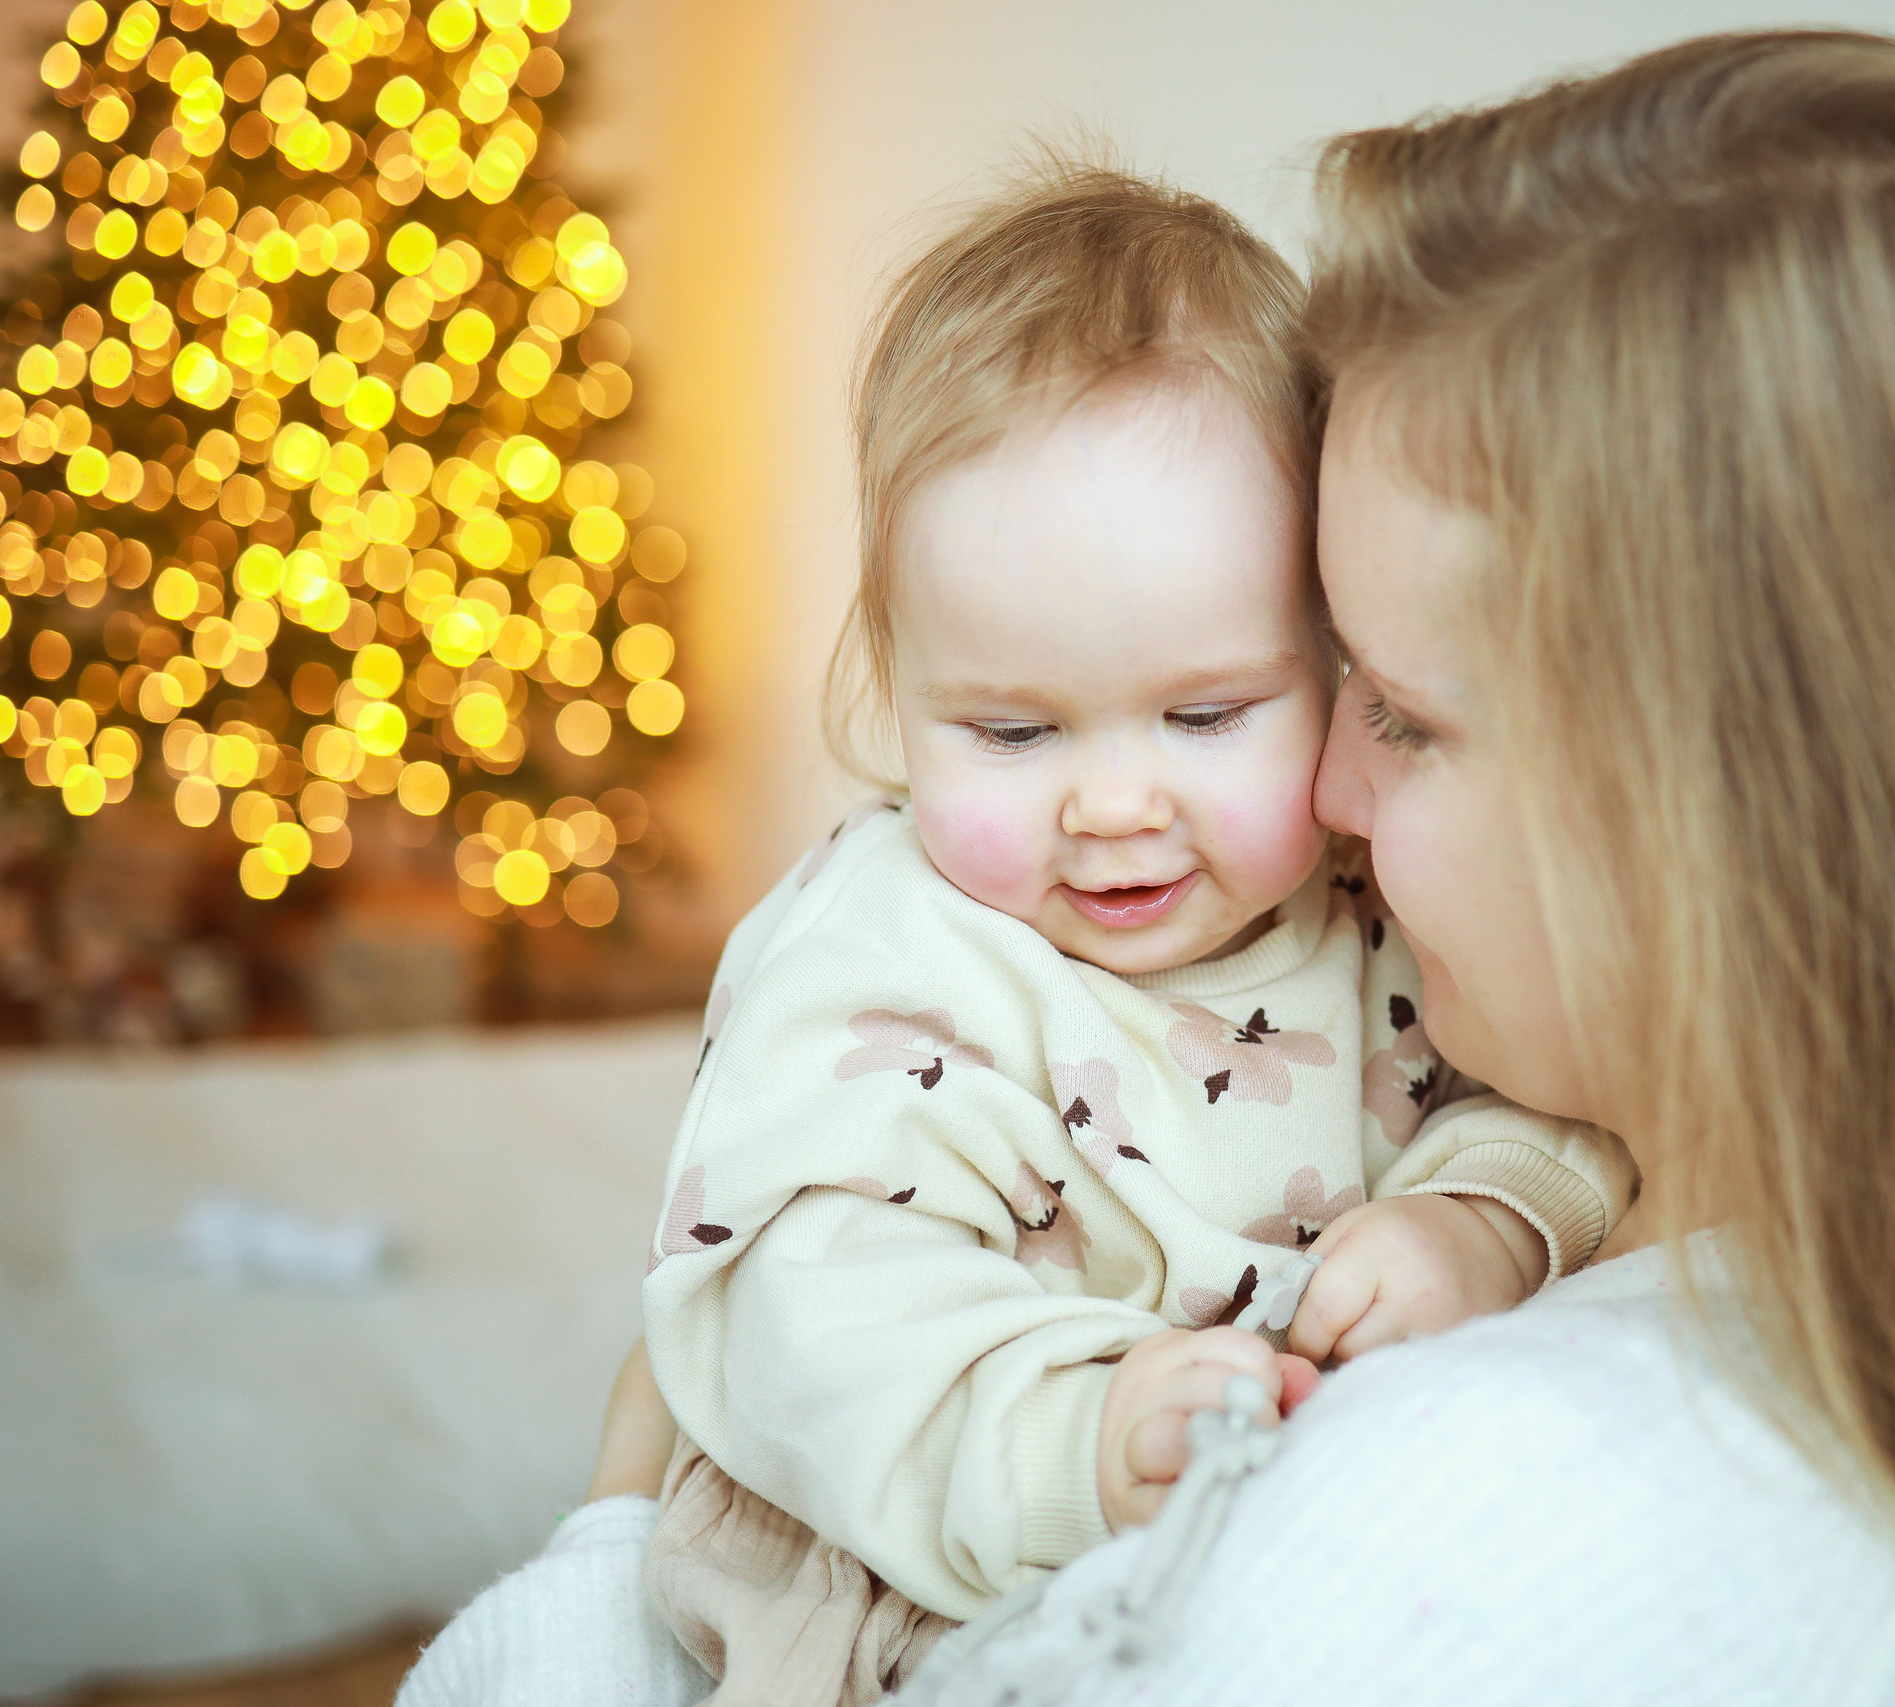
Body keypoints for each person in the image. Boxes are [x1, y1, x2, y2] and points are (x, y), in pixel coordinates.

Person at [402, 29, 1895, 1707]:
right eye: (1015, 725)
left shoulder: (1452, 1527)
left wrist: (585, 1563)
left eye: (1374, 702)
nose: (1340, 814)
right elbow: (810, 1313)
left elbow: (1479, 1149)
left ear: (1718, 809)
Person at [639, 165, 1631, 1703]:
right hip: (910, 1581)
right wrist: (1077, 1443)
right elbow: (809, 1320)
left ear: (1334, 659)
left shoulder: (1376, 903)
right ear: (893, 692)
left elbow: (1547, 1093)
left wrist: (1482, 1222)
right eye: (1014, 732)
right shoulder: (891, 958)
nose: (1112, 806)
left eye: (1206, 714)